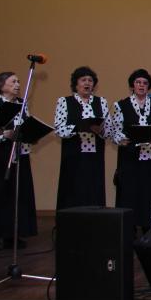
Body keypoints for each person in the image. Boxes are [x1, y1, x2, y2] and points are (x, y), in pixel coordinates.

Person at [0, 72, 38, 250]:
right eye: (13, 81)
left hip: (19, 152)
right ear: (1, 85)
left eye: (18, 81)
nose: (18, 84)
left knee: (17, 192)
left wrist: (31, 133)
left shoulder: (22, 103)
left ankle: (12, 234)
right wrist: (4, 135)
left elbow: (26, 124)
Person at [112, 69, 151, 233]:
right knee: (130, 192)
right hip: (130, 157)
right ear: (132, 86)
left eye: (145, 83)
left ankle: (150, 227)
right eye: (138, 82)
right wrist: (121, 139)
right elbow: (116, 130)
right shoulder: (121, 105)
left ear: (148, 86)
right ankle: (130, 229)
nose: (141, 85)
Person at [54, 66, 110, 210]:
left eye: (90, 80)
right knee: (72, 188)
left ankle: (95, 220)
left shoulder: (101, 102)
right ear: (76, 84)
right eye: (83, 80)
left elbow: (109, 129)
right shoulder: (64, 101)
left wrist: (101, 130)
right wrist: (78, 127)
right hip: (73, 154)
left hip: (95, 156)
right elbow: (59, 129)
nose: (87, 83)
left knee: (94, 187)